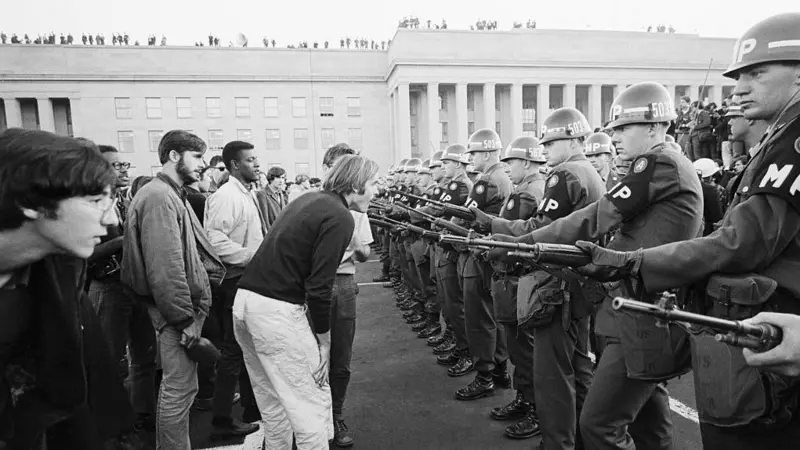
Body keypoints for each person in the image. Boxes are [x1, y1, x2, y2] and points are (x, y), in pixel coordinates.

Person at [573, 13, 800, 449]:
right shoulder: (782, 137)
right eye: (739, 76)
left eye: (757, 72)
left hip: (771, 338)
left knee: (602, 423)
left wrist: (638, 263)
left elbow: (742, 242)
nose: (738, 88)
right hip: (753, 330)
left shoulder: (792, 140)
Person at [477, 107, 604, 450]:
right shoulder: (590, 172)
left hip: (557, 283)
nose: (546, 149)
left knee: (553, 375)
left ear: (574, 139)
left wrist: (496, 230)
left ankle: (557, 442)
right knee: (578, 368)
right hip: (578, 281)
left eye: (552, 142)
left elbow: (543, 230)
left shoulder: (563, 175)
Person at [0, 129, 135, 449]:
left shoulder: (64, 267)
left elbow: (85, 373)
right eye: (94, 201)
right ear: (31, 201)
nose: (108, 219)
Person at [235, 155, 379, 449]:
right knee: (312, 407)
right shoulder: (340, 216)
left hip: (246, 305)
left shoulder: (310, 199)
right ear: (355, 183)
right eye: (374, 183)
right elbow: (319, 286)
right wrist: (323, 341)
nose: (377, 191)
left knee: (274, 405)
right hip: (276, 311)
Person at [121, 130, 226, 450]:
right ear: (174, 156)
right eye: (197, 157)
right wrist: (184, 321)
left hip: (181, 309)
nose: (203, 165)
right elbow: (165, 268)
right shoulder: (158, 196)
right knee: (178, 389)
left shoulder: (168, 193)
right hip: (178, 313)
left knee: (183, 388)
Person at [87, 145, 157, 435]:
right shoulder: (90, 205)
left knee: (144, 357)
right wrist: (124, 239)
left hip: (135, 287)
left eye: (125, 164)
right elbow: (85, 253)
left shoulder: (126, 200)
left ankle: (141, 416)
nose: (124, 169)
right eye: (116, 166)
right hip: (108, 288)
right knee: (110, 360)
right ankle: (109, 427)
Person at [485, 136, 547, 440]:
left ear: (525, 161)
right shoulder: (532, 188)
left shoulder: (527, 193)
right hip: (519, 276)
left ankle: (535, 407)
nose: (507, 168)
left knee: (523, 348)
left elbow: (510, 234)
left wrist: (486, 245)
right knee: (519, 346)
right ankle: (526, 399)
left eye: (511, 162)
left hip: (518, 275)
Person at [203, 141, 263, 438]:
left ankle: (251, 408)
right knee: (233, 351)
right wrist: (252, 256)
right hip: (234, 280)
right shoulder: (227, 196)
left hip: (245, 278)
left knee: (245, 348)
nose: (257, 164)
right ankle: (222, 419)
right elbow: (214, 240)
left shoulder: (244, 193)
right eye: (251, 160)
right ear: (235, 165)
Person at [320, 143, 374, 448]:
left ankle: (335, 415)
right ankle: (317, 416)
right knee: (312, 354)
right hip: (316, 283)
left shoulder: (358, 207)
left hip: (342, 281)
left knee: (340, 356)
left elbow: (365, 250)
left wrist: (353, 240)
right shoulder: (315, 200)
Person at [454, 129, 513, 402]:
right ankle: (499, 368)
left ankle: (484, 376)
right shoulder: (504, 177)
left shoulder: (487, 180)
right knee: (493, 316)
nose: (472, 159)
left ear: (488, 153)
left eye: (475, 153)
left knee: (479, 318)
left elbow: (467, 215)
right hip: (494, 253)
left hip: (480, 253)